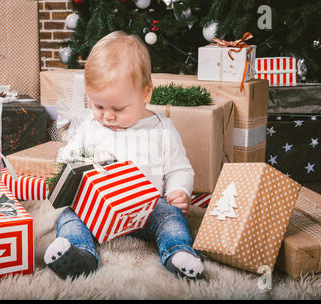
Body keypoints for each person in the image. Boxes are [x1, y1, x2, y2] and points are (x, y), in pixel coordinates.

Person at [43, 31, 204, 280]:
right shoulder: (88, 125)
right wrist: (66, 169)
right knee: (68, 216)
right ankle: (80, 253)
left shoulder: (162, 129)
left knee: (171, 217)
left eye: (118, 108)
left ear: (145, 94)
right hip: (97, 209)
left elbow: (179, 169)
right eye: (98, 106)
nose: (107, 116)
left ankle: (177, 252)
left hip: (145, 208)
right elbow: (68, 157)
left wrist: (178, 192)